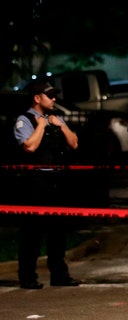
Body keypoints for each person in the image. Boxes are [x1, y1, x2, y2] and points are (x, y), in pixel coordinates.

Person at [13, 80, 81, 289]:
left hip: (57, 182)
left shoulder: (57, 118)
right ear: (37, 98)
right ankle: (28, 277)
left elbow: (74, 143)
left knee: (58, 231)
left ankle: (59, 275)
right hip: (36, 182)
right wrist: (41, 125)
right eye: (50, 96)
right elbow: (29, 147)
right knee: (33, 232)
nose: (54, 99)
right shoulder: (24, 121)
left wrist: (60, 126)